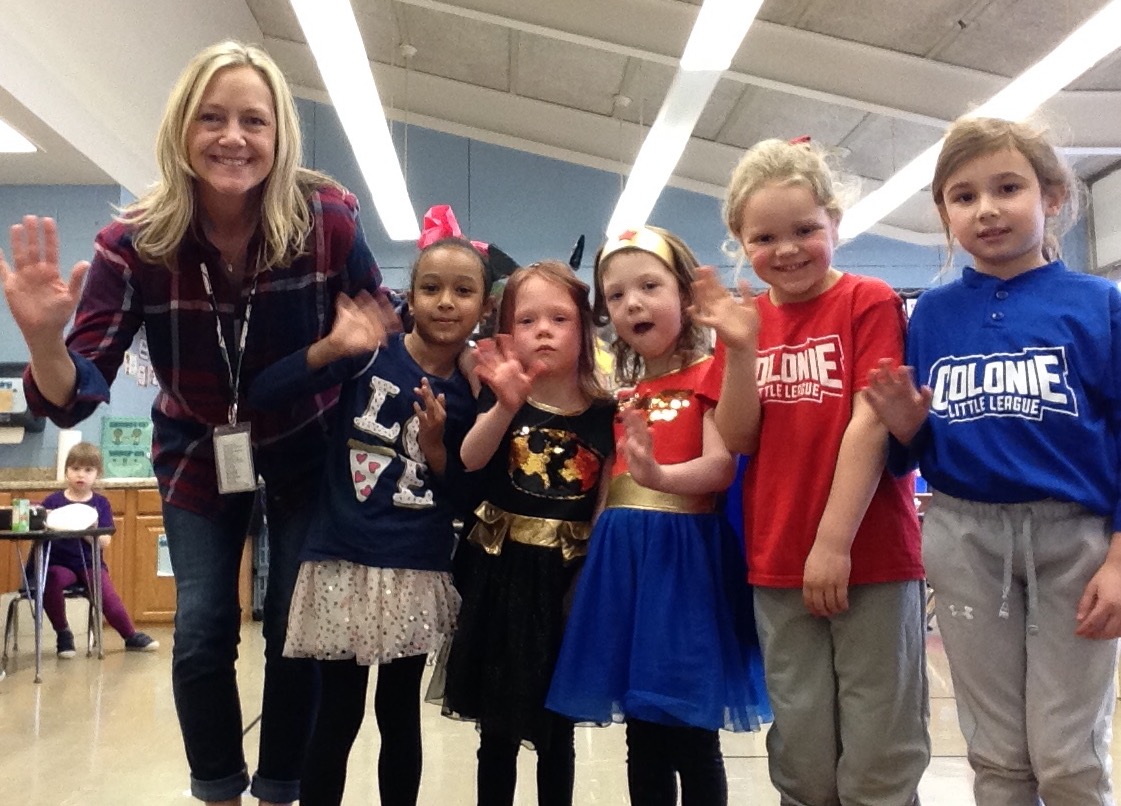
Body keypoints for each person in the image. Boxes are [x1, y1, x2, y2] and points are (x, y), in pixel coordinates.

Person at [0, 41, 384, 806]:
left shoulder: (329, 219)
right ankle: (215, 787)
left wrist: (352, 350)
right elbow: (76, 392)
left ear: (279, 137)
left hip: (308, 447)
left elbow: (372, 331)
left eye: (253, 120)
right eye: (212, 118)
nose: (232, 137)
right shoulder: (133, 242)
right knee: (206, 623)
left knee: (291, 625)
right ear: (183, 130)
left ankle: (280, 787)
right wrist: (44, 342)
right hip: (199, 447)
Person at [864, 116, 1121, 805]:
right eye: (962, 195)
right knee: (998, 755)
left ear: (1052, 196)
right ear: (944, 213)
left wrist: (1119, 559)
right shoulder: (932, 315)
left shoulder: (1099, 304)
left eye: (1006, 187)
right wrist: (905, 428)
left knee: (1067, 756)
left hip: (1075, 540)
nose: (986, 209)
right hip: (963, 536)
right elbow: (905, 457)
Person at [693, 137, 930, 805]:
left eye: (804, 230)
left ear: (834, 222)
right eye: (764, 237)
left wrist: (832, 543)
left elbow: (869, 421)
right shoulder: (745, 320)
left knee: (878, 746)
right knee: (799, 747)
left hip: (869, 555)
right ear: (740, 242)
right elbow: (738, 436)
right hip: (775, 558)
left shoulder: (867, 300)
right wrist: (740, 350)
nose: (787, 249)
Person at [248, 236, 490, 806]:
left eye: (463, 291)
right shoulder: (371, 353)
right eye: (431, 288)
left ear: (484, 307)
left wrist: (437, 446)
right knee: (337, 711)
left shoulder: (476, 390)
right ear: (410, 295)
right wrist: (331, 348)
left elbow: (466, 496)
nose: (446, 302)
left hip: (416, 564)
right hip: (342, 558)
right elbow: (263, 392)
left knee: (399, 713)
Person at [546, 226, 770, 806]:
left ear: (686, 296)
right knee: (641, 735)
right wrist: (592, 554)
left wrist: (662, 478)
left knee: (692, 734)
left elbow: (721, 467)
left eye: (649, 286)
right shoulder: (627, 392)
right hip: (624, 569)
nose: (632, 304)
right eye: (616, 296)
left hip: (684, 566)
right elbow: (615, 483)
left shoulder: (712, 372)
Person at [437, 260, 615, 806]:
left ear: (583, 330)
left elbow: (604, 510)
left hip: (563, 585)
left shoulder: (607, 413)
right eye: (529, 318)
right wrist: (504, 406)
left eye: (559, 318)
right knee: (497, 729)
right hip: (500, 577)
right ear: (509, 332)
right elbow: (469, 458)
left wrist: (588, 582)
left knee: (557, 729)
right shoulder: (506, 396)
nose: (543, 329)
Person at [36, 441, 159, 657]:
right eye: (75, 469)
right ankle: (63, 634)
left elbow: (104, 542)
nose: (80, 475)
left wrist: (87, 530)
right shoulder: (53, 501)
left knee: (107, 596)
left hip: (89, 562)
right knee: (51, 579)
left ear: (97, 474)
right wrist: (41, 516)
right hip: (59, 562)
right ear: (66, 472)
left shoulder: (100, 504)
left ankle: (130, 635)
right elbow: (40, 532)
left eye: (88, 470)